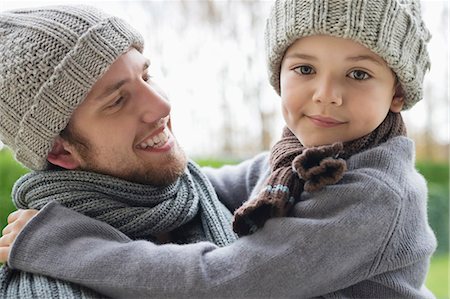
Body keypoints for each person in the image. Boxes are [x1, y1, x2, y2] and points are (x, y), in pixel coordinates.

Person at [1, 0, 437, 297]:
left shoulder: (374, 193)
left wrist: (65, 246)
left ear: (398, 94)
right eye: (304, 68)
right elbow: (206, 185)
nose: (326, 94)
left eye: (358, 75)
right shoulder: (300, 156)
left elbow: (227, 283)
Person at [0, 4, 236, 298]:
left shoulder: (208, 196)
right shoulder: (48, 290)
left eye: (146, 77)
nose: (161, 106)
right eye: (118, 101)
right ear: (62, 152)